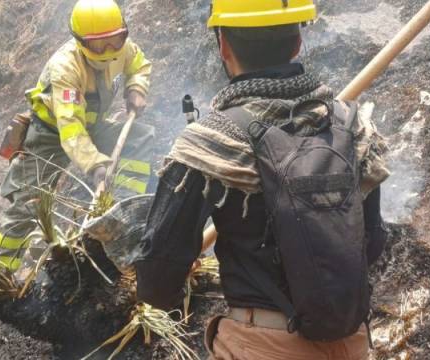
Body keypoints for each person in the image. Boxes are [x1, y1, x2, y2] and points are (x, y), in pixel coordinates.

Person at [135, 1, 390, 359]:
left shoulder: (210, 142)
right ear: (298, 41)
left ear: (223, 45)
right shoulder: (353, 127)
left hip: (258, 346)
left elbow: (156, 278)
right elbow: (373, 243)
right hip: (352, 343)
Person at [0, 0, 155, 272]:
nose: (109, 51)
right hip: (51, 134)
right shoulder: (65, 68)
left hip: (92, 127)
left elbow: (139, 64)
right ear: (80, 42)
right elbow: (71, 130)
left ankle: (125, 213)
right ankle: (1, 273)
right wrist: (96, 165)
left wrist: (136, 87)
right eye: (98, 45)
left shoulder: (123, 51)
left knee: (138, 137)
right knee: (28, 203)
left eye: (115, 40)